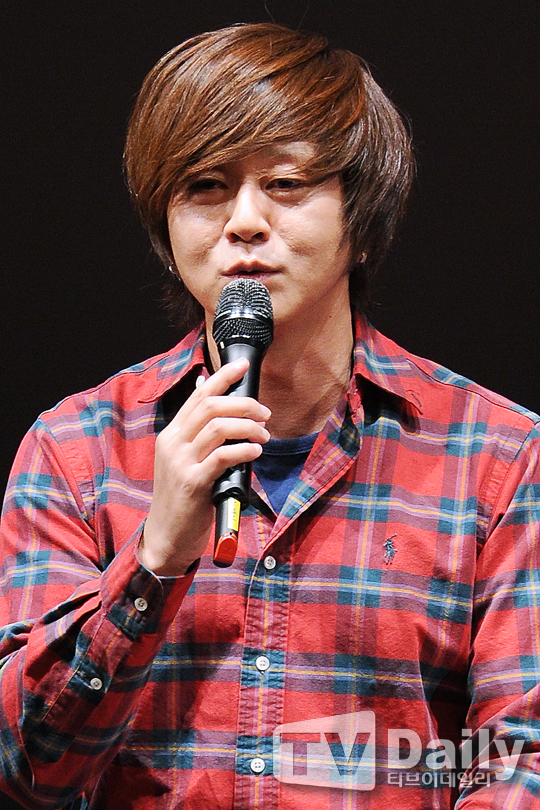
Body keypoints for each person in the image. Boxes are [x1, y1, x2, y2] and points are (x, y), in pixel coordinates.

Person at [1, 21, 539, 810]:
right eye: (204, 186)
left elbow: (521, 758)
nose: (244, 221)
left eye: (285, 184)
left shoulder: (498, 455)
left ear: (361, 221)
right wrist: (154, 559)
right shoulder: (75, 452)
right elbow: (25, 769)